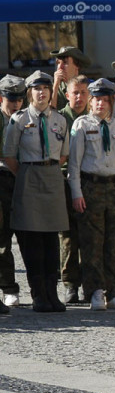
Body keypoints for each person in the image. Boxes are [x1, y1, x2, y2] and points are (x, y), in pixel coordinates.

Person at [3, 71, 70, 312]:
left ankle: (52, 293)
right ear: (29, 93)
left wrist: (47, 168)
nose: (41, 93)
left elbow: (64, 153)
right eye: (36, 89)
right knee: (32, 241)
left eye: (46, 88)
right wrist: (26, 174)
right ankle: (38, 294)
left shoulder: (60, 120)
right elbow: (9, 155)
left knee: (51, 241)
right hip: (28, 178)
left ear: (51, 92)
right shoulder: (19, 120)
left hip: (52, 177)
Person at [69, 78, 115, 311]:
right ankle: (95, 291)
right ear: (91, 101)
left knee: (113, 239)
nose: (100, 104)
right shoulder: (81, 124)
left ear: (111, 101)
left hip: (114, 187)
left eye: (104, 100)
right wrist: (76, 193)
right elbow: (74, 164)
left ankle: (114, 291)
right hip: (91, 186)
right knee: (91, 242)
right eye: (96, 99)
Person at [58, 75, 89, 303]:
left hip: (89, 182)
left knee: (91, 236)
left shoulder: (94, 119)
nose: (79, 97)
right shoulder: (59, 119)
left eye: (83, 93)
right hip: (64, 182)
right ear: (66, 95)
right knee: (68, 236)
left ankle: (92, 283)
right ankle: (70, 284)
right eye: (75, 93)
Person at [0, 75, 26, 311]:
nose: (16, 104)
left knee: (30, 236)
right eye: (11, 100)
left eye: (19, 99)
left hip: (25, 180)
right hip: (2, 180)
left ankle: (40, 289)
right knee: (2, 239)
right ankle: (8, 287)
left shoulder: (25, 119)